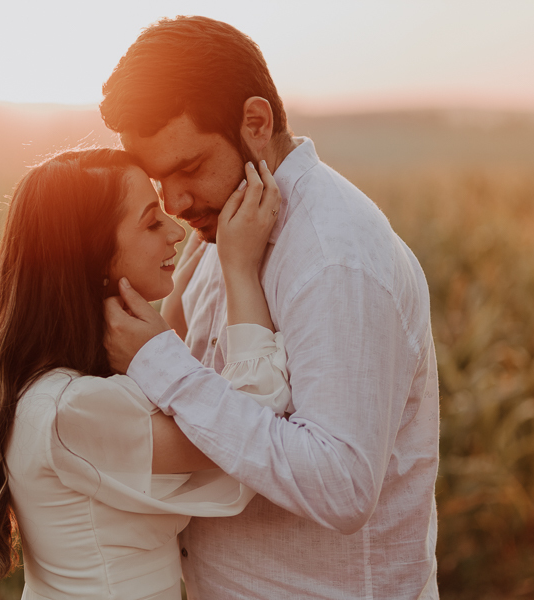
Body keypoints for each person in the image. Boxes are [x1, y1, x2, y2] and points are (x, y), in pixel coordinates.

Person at [100, 16, 441, 599]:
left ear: (255, 123)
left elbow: (341, 485)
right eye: (161, 181)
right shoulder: (225, 227)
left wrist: (164, 366)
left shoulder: (334, 258)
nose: (177, 202)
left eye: (189, 168)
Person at [0, 148, 291, 599]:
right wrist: (239, 269)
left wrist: (175, 301)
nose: (175, 230)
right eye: (151, 222)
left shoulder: (49, 390)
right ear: (93, 259)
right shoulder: (74, 410)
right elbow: (250, 431)